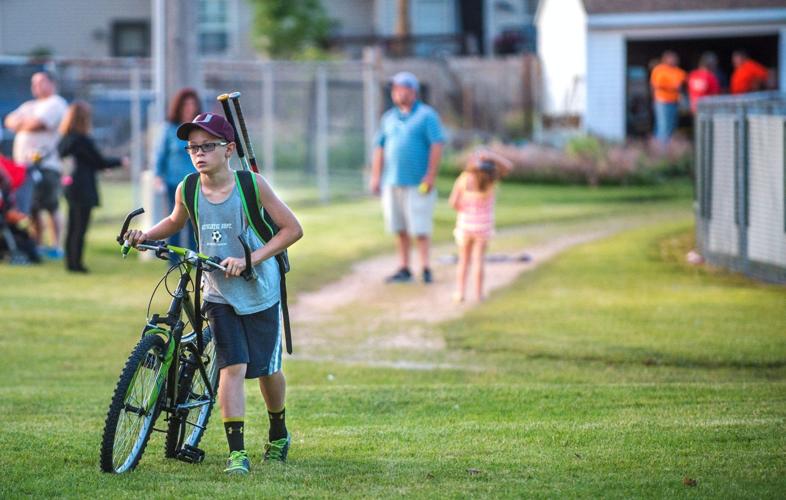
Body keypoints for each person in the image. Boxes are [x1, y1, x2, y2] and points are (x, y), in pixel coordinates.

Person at [123, 112, 303, 475]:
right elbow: (175, 221)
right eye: (192, 147)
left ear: (229, 149)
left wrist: (252, 257)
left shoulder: (252, 186)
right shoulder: (188, 187)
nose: (198, 153)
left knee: (267, 369)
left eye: (208, 146)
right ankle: (238, 453)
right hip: (218, 291)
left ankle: (278, 432)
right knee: (232, 366)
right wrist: (146, 234)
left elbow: (291, 230)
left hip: (259, 289)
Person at [369, 71, 445, 284]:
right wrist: (376, 176)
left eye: (401, 89)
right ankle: (404, 267)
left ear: (412, 91)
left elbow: (437, 145)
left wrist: (430, 175)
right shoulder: (389, 118)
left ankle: (426, 267)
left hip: (417, 182)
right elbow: (379, 148)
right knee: (399, 227)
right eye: (394, 89)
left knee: (420, 228)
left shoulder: (426, 115)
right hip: (392, 181)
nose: (397, 93)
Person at [3, 71, 68, 257]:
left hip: (46, 165)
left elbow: (38, 124)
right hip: (24, 167)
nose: (35, 86)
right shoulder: (29, 105)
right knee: (32, 207)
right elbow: (9, 120)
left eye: (40, 82)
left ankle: (56, 246)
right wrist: (24, 122)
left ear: (51, 83)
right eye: (33, 83)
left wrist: (22, 124)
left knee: (50, 205)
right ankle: (37, 244)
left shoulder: (56, 103)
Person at [57, 101, 127, 273]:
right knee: (80, 227)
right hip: (84, 187)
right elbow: (99, 161)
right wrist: (120, 161)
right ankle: (77, 264)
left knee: (72, 226)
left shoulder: (65, 140)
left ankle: (70, 262)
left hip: (70, 186)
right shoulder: (82, 141)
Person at [448, 149, 512, 302]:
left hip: (465, 225)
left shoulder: (464, 179)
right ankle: (479, 294)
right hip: (483, 227)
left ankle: (460, 292)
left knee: (464, 260)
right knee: (478, 261)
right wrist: (492, 155)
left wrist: (463, 209)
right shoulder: (490, 181)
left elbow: (453, 202)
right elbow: (508, 166)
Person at [154, 88, 201, 261]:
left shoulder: (199, 130)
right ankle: (173, 260)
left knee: (195, 225)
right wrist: (158, 176)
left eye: (192, 104)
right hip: (174, 183)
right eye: (186, 104)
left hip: (197, 184)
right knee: (175, 222)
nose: (189, 108)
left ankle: (195, 259)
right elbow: (160, 155)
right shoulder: (169, 129)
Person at [649, 51, 686, 145]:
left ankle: (668, 148)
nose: (674, 60)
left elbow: (684, 82)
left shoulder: (678, 71)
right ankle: (661, 149)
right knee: (663, 126)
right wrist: (672, 87)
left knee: (671, 126)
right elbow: (656, 85)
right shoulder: (659, 70)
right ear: (665, 59)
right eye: (671, 58)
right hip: (662, 102)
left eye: (675, 58)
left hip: (674, 102)